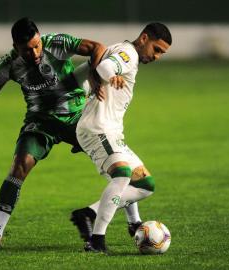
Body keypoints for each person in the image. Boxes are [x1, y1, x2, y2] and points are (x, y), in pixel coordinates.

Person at [0, 17, 107, 250]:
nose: (35, 52)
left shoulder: (57, 43)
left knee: (113, 163)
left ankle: (132, 221)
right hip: (40, 122)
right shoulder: (8, 65)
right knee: (18, 167)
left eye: (37, 45)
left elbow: (97, 48)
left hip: (76, 118)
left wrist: (96, 75)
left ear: (40, 38)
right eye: (27, 50)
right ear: (15, 47)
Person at [71, 22, 172, 253]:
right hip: (98, 128)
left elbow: (88, 72)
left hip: (112, 131)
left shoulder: (122, 50)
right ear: (144, 38)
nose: (157, 57)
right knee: (122, 173)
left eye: (162, 54)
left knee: (145, 185)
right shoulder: (128, 54)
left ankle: (94, 214)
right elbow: (106, 67)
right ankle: (97, 240)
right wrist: (112, 76)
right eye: (156, 50)